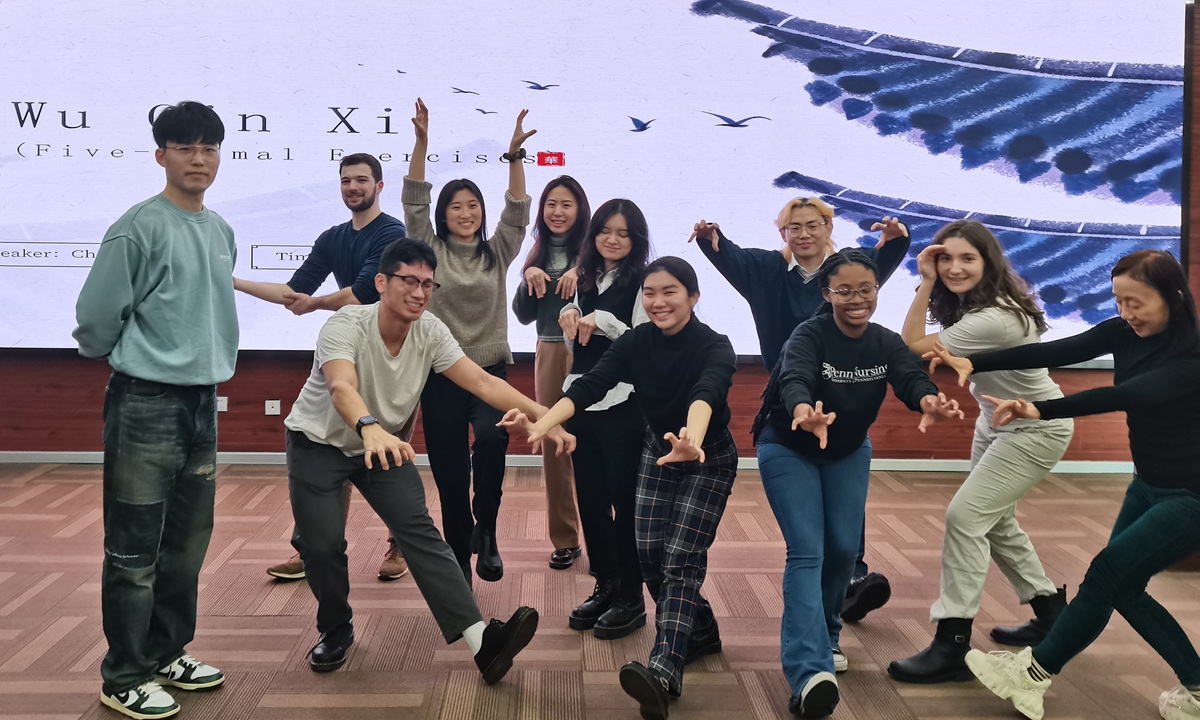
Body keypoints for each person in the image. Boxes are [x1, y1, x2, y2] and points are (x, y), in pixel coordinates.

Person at [928, 250, 1200, 720]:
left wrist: (1042, 409)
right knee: (1124, 587)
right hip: (1149, 483)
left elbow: (1127, 394)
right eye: (1119, 301)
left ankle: (1033, 673)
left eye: (1137, 302)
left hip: (1192, 495)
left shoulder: (1193, 353)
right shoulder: (1122, 332)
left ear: (1174, 297)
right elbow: (1052, 351)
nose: (1126, 314)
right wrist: (973, 361)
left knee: (1108, 574)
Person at [283, 238, 564, 682]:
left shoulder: (429, 330)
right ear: (381, 282)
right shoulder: (346, 324)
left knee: (422, 535)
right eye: (408, 281)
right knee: (322, 547)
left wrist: (549, 416)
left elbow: (482, 383)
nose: (418, 293)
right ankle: (335, 630)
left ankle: (483, 645)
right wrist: (369, 427)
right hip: (319, 443)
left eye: (428, 285)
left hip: (382, 448)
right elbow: (341, 387)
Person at [504, 256, 738, 720]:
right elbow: (591, 385)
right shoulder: (636, 343)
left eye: (670, 292)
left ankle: (665, 665)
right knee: (649, 554)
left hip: (706, 458)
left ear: (693, 297)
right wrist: (543, 421)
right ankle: (703, 629)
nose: (658, 301)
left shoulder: (716, 344)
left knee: (680, 558)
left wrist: (691, 438)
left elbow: (706, 392)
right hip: (656, 452)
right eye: (650, 293)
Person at [73, 101, 235, 720]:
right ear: (160, 153)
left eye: (209, 147)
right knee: (134, 549)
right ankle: (124, 674)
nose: (199, 158)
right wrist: (138, 362)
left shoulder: (219, 229)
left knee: (188, 543)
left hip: (203, 404)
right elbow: (94, 322)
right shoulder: (137, 226)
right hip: (145, 404)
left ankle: (167, 652)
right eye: (185, 146)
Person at [751, 248, 963, 718]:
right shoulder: (808, 335)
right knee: (808, 550)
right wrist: (804, 410)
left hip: (847, 449)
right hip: (789, 447)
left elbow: (909, 377)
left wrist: (928, 400)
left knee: (845, 550)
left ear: (876, 291)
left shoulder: (883, 342)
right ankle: (809, 673)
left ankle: (827, 638)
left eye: (865, 289)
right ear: (826, 294)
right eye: (843, 290)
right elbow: (795, 377)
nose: (856, 299)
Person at [689, 199, 911, 623]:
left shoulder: (848, 268)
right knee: (808, 521)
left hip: (845, 392)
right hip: (789, 399)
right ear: (783, 234)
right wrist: (709, 238)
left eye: (814, 225)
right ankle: (833, 585)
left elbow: (881, 262)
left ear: (829, 228)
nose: (805, 233)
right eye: (795, 227)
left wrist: (897, 241)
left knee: (844, 487)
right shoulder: (767, 272)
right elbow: (728, 255)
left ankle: (850, 577)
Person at [887, 220, 1074, 684]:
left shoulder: (994, 317)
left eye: (967, 258)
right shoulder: (977, 306)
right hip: (997, 420)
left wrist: (925, 279)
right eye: (945, 258)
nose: (954, 267)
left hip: (1034, 428)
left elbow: (910, 345)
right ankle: (1052, 613)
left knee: (965, 518)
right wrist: (931, 281)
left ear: (988, 261)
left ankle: (952, 644)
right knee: (995, 519)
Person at [234, 152, 410, 583]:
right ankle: (313, 549)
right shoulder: (332, 237)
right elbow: (295, 293)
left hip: (390, 357)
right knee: (332, 453)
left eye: (362, 180)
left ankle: (399, 547)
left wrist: (316, 304)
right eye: (346, 180)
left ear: (380, 186)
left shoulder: (392, 232)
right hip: (347, 351)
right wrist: (231, 281)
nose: (353, 187)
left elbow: (365, 292)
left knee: (390, 454)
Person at [402, 98, 533, 582]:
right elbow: (413, 198)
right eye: (456, 206)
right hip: (439, 375)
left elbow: (517, 212)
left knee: (494, 445)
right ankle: (459, 544)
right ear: (443, 214)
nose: (466, 212)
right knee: (449, 466)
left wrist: (515, 157)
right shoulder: (430, 251)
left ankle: (488, 531)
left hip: (489, 372)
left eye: (473, 205)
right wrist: (421, 143)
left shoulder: (496, 252)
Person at [555, 199, 651, 638]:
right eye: (604, 231)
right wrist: (569, 314)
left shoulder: (645, 283)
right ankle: (606, 584)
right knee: (590, 499)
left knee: (624, 501)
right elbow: (577, 332)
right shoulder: (586, 278)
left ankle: (632, 595)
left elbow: (644, 343)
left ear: (636, 240)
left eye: (623, 233)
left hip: (623, 402)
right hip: (580, 397)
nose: (612, 239)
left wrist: (606, 320)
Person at [512, 175, 590, 570]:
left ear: (581, 210)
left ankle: (604, 534)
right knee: (554, 443)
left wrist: (583, 275)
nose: (558, 212)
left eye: (567, 204)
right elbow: (524, 316)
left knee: (596, 443)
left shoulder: (595, 250)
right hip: (551, 351)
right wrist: (528, 280)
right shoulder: (536, 254)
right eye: (551, 205)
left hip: (594, 354)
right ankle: (565, 538)